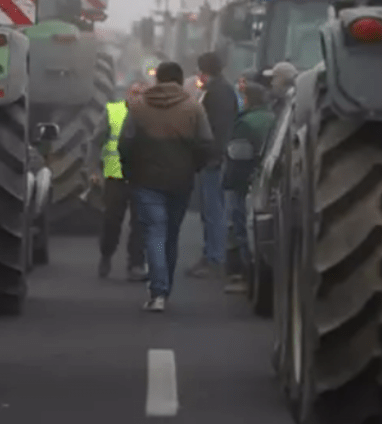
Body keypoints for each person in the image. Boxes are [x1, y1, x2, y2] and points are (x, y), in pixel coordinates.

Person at [118, 62, 214, 312]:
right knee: (171, 234)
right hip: (180, 181)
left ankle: (157, 293)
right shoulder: (194, 107)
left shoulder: (138, 108)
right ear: (181, 81)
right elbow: (206, 144)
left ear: (157, 80)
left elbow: (125, 143)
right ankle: (165, 288)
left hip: (145, 180)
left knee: (154, 233)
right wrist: (194, 167)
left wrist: (129, 171)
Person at [185, 52, 238, 279]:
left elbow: (219, 128)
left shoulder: (218, 93)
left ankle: (214, 257)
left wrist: (213, 155)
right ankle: (211, 254)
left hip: (214, 160)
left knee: (214, 210)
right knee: (210, 210)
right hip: (213, 157)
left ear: (204, 71)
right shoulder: (221, 90)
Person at [89, 79, 147, 281]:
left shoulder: (152, 117)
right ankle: (106, 254)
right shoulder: (113, 111)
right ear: (127, 94)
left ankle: (136, 264)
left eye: (141, 93)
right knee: (112, 220)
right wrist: (94, 169)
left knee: (140, 223)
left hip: (142, 176)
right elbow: (96, 141)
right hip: (115, 174)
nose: (137, 97)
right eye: (134, 92)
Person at [221, 82, 276, 294]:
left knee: (240, 227)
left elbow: (237, 155)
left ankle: (244, 275)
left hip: (243, 183)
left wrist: (230, 183)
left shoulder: (245, 123)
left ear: (247, 99)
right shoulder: (273, 118)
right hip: (265, 180)